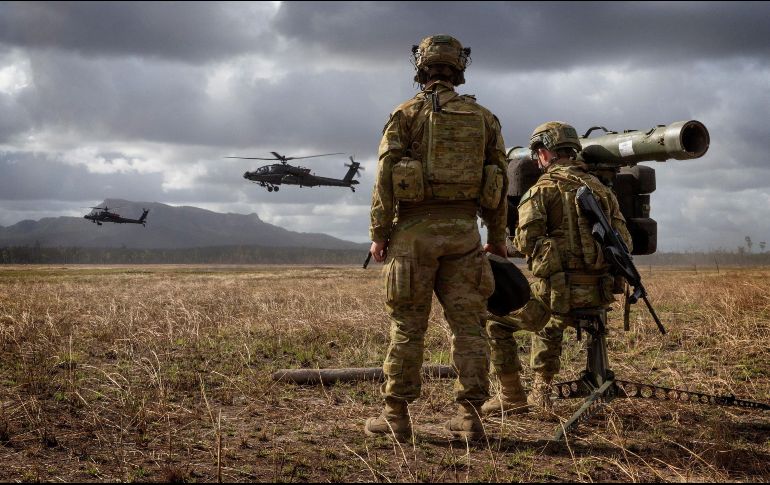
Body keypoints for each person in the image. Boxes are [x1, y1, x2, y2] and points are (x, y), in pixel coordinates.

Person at [366, 34, 509, 441]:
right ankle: (471, 418)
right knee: (470, 328)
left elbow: (384, 181)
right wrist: (497, 238)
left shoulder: (405, 114)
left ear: (421, 67)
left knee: (408, 328)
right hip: (465, 234)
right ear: (458, 68)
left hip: (413, 235)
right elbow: (498, 182)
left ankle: (396, 416)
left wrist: (379, 234)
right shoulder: (484, 117)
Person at [483, 121, 632, 416]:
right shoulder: (603, 191)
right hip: (598, 295)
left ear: (545, 153)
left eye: (538, 153)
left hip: (559, 296)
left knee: (496, 322)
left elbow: (526, 241)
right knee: (549, 313)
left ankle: (518, 395)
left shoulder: (541, 191)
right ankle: (544, 388)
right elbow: (623, 240)